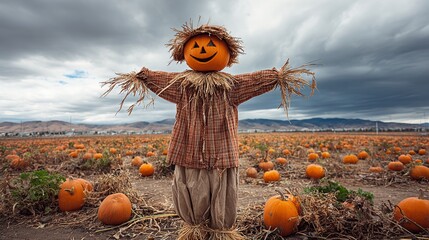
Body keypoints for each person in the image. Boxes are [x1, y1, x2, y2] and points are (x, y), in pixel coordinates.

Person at [103, 21, 316, 240]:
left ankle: (221, 232)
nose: (202, 49)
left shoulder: (230, 86)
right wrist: (145, 75)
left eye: (211, 44)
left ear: (226, 52)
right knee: (193, 189)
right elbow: (160, 79)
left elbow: (253, 80)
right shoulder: (182, 85)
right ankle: (194, 229)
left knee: (221, 192)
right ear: (185, 51)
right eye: (195, 45)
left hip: (222, 154)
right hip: (189, 152)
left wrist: (275, 76)